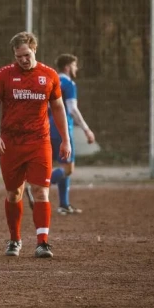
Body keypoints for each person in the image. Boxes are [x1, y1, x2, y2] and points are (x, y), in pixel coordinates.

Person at [0, 32, 71, 259]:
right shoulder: (4, 75)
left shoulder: (49, 75)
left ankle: (43, 242)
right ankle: (14, 240)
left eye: (26, 55)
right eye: (18, 56)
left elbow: (59, 108)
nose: (23, 59)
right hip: (11, 144)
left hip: (39, 141)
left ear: (35, 50)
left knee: (41, 191)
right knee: (14, 194)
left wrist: (65, 139)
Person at [42, 54, 95, 215]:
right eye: (74, 65)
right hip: (63, 128)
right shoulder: (69, 83)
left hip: (48, 127)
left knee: (63, 166)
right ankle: (38, 186)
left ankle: (64, 204)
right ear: (67, 67)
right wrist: (86, 129)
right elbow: (72, 109)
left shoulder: (51, 81)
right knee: (68, 169)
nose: (76, 68)